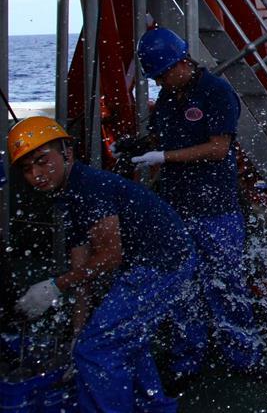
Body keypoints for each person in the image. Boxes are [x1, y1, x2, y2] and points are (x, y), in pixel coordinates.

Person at [9, 116, 195, 412]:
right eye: (27, 168)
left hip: (162, 264)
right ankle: (154, 407)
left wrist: (54, 287)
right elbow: (82, 271)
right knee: (117, 341)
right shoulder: (67, 194)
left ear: (67, 153)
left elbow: (110, 257)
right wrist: (77, 334)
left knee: (99, 351)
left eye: (43, 161)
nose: (37, 174)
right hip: (160, 260)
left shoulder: (88, 188)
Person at [132, 27, 266, 383]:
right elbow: (162, 134)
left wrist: (165, 156)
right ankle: (187, 359)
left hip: (216, 208)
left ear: (181, 62)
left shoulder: (216, 92)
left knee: (226, 284)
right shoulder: (167, 99)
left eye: (162, 74)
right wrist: (138, 147)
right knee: (183, 287)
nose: (160, 82)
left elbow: (219, 148)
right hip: (178, 208)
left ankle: (244, 357)